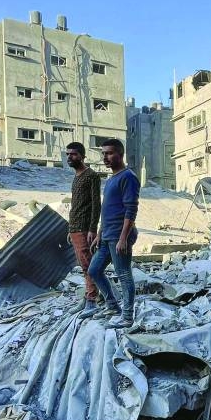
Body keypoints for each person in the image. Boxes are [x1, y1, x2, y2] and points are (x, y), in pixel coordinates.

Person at [87, 138, 140, 328]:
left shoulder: (128, 177)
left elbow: (131, 209)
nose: (105, 157)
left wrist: (123, 238)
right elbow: (107, 210)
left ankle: (127, 317)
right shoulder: (111, 179)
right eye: (103, 154)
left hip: (119, 236)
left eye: (109, 153)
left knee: (124, 274)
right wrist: (100, 234)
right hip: (107, 235)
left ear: (120, 154)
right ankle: (112, 305)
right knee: (94, 270)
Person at [65, 142, 101, 317]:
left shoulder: (91, 176)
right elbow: (76, 205)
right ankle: (88, 296)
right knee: (83, 265)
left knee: (88, 265)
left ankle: (92, 300)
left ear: (82, 155)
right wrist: (70, 229)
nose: (69, 157)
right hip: (75, 228)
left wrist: (92, 229)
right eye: (67, 154)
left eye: (73, 154)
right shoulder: (77, 176)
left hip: (85, 228)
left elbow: (96, 204)